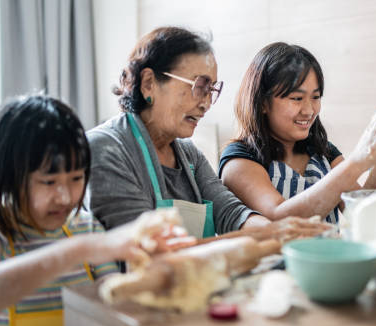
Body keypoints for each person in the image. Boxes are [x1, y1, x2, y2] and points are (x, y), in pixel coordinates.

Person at [0, 96, 179, 326]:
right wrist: (77, 250)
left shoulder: (85, 227)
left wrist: (150, 270)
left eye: (76, 179)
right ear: (7, 176)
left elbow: (115, 306)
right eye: (49, 182)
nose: (64, 196)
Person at [86, 28, 330, 238]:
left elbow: (232, 214)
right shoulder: (105, 149)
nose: (206, 103)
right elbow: (149, 252)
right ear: (149, 83)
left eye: (211, 89)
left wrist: (275, 230)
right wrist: (268, 236)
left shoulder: (189, 156)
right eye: (199, 86)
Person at [219, 42, 376, 223]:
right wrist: (358, 160)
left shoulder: (323, 151)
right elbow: (278, 217)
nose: (309, 110)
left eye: (315, 97)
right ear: (262, 102)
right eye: (296, 98)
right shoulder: (238, 159)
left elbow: (361, 212)